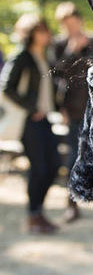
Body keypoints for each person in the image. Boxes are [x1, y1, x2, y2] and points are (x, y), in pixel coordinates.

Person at [2, 14, 61, 234]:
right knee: (39, 168)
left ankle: (38, 212)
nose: (46, 34)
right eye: (41, 30)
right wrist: (31, 108)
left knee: (54, 165)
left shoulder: (44, 56)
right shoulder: (22, 56)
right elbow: (6, 86)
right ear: (31, 33)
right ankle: (33, 216)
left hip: (45, 119)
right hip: (29, 121)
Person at [52, 2, 93, 223]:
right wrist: (72, 51)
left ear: (80, 21)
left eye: (74, 23)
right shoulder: (59, 45)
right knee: (73, 155)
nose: (72, 28)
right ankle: (71, 203)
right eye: (67, 25)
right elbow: (56, 74)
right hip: (72, 111)